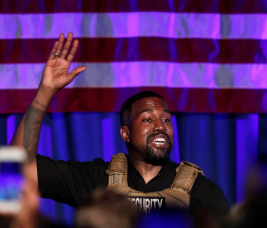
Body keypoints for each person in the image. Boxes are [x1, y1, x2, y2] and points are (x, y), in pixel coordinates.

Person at [10, 32, 229, 216]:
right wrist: (45, 92)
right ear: (125, 133)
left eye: (165, 119)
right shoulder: (96, 179)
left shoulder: (201, 190)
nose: (160, 126)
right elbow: (15, 169)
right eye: (147, 119)